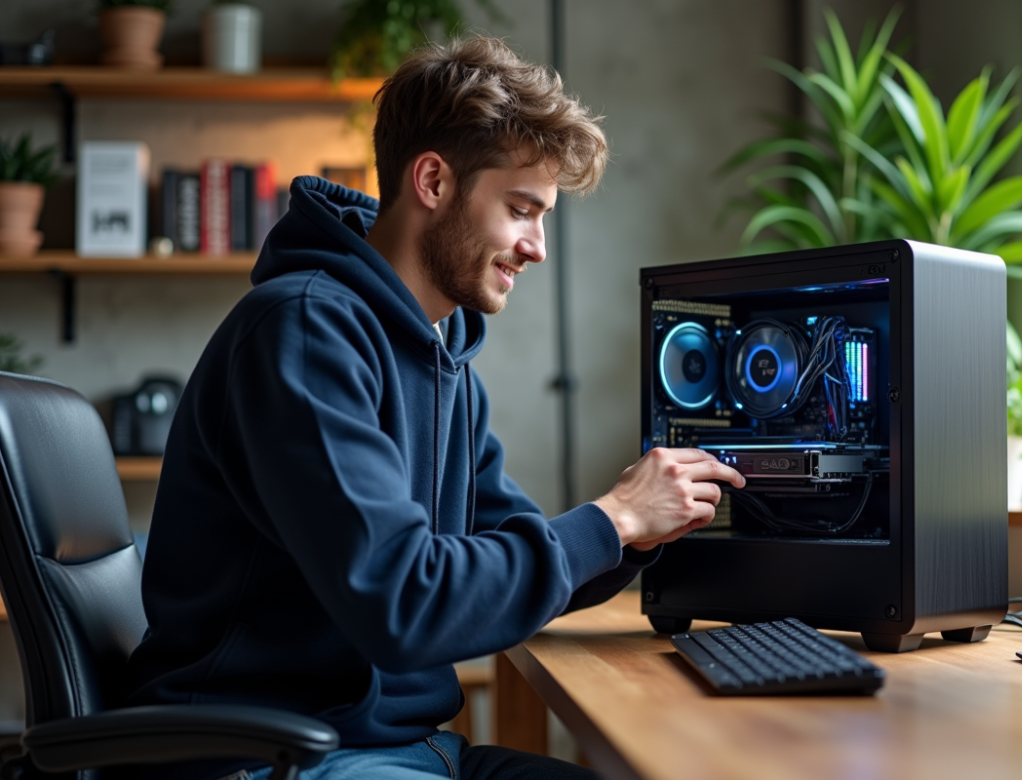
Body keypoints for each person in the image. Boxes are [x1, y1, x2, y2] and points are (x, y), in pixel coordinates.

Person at [122, 36, 744, 780]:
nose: (537, 247)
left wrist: (643, 531)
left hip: (394, 748)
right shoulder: (304, 334)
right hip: (272, 756)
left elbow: (505, 548)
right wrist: (612, 518)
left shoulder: (443, 358)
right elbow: (406, 602)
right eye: (521, 209)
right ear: (434, 182)